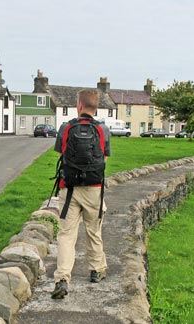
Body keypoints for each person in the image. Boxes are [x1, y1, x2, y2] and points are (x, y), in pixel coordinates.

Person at [51, 89, 110, 299]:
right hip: (94, 190)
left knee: (67, 235)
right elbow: (104, 159)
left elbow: (61, 155)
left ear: (79, 105)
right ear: (96, 107)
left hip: (69, 189)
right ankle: (96, 270)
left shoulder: (66, 128)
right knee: (94, 231)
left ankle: (62, 279)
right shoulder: (103, 129)